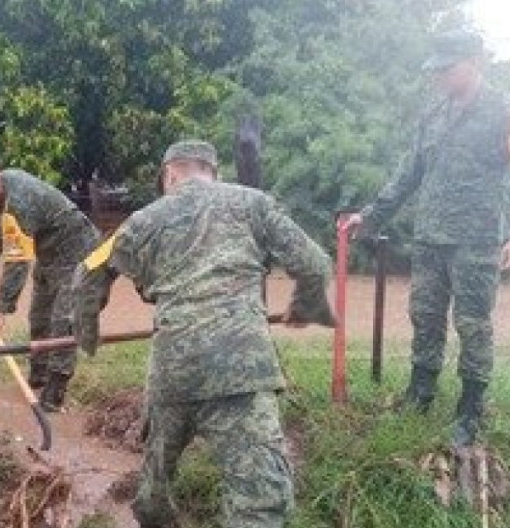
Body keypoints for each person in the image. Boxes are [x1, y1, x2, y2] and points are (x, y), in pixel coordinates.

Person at [73, 140, 336, 528]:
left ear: (170, 175)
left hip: (172, 375)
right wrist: (306, 304)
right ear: (213, 172)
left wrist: (87, 336)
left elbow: (87, 274)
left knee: (155, 491)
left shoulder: (145, 219)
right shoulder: (255, 204)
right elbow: (315, 263)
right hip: (242, 373)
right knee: (259, 501)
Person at [343, 29, 510, 446]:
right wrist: (368, 218)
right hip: (430, 239)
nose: (437, 75)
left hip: (476, 242)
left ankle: (470, 411)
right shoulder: (432, 112)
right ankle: (421, 393)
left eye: (446, 67)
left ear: (474, 62)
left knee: (473, 325)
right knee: (425, 318)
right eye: (434, 68)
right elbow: (408, 173)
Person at [0, 157, 99, 412]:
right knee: (38, 316)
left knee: (63, 321)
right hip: (50, 253)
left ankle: (54, 392)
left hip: (78, 253)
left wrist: (0, 313)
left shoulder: (19, 201)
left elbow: (17, 262)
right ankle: (38, 376)